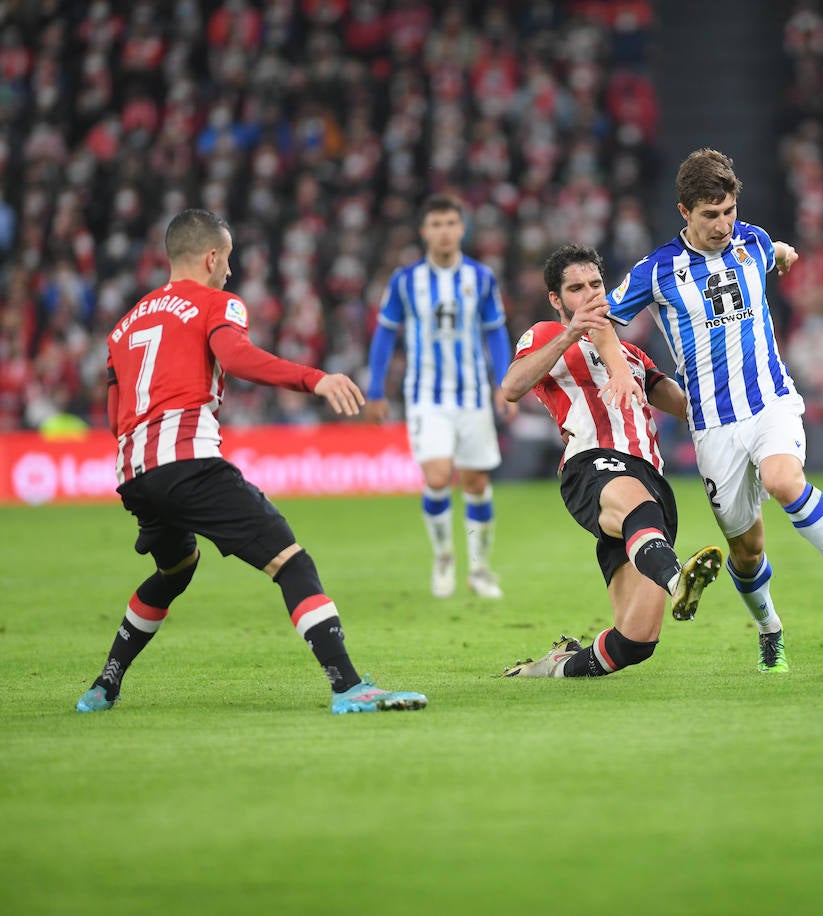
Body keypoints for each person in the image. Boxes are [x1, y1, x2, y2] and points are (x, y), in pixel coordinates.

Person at [76, 209, 427, 715]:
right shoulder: (217, 303)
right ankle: (348, 687)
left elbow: (114, 416)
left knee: (175, 569)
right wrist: (316, 379)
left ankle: (103, 687)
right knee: (291, 561)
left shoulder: (124, 325)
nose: (231, 272)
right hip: (188, 462)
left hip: (134, 473)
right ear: (212, 256)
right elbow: (238, 359)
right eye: (229, 260)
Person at [597, 148, 823, 673]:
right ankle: (770, 630)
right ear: (684, 211)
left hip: (770, 401)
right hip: (712, 427)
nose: (723, 225)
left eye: (728, 211)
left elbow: (770, 249)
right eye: (710, 215)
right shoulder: (657, 271)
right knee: (747, 551)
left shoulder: (750, 239)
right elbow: (599, 320)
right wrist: (617, 368)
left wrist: (783, 251)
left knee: (783, 480)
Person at [497, 243, 723, 677]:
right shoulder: (546, 335)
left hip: (650, 476)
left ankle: (550, 669)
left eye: (596, 284)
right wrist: (570, 332)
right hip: (592, 463)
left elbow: (685, 406)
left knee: (637, 641)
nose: (590, 294)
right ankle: (678, 578)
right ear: (556, 299)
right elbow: (512, 386)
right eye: (576, 288)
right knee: (639, 507)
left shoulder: (631, 354)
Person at [365, 194, 516, 600]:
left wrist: (504, 384)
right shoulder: (404, 280)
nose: (444, 231)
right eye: (436, 224)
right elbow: (384, 333)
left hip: (471, 396)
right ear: (424, 231)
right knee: (436, 477)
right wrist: (376, 388)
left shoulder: (481, 278)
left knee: (476, 482)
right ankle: (445, 557)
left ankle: (481, 569)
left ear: (461, 228)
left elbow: (496, 332)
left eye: (451, 223)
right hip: (426, 397)